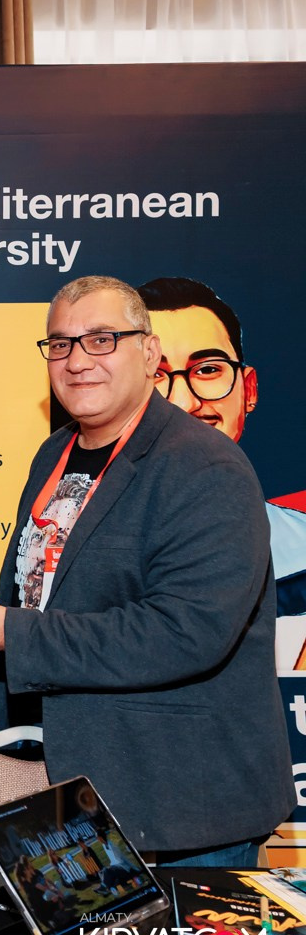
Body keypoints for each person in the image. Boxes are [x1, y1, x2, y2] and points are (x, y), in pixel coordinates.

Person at [0, 275, 291, 866]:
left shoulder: (207, 465)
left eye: (102, 339)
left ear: (149, 354)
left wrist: (14, 633)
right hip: (66, 791)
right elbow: (43, 589)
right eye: (61, 344)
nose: (77, 360)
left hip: (176, 806)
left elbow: (186, 632)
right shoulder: (55, 453)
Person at [136, 276, 306, 659]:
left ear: (249, 389)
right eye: (155, 375)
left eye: (208, 370)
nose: (183, 403)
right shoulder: (73, 548)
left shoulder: (302, 553)